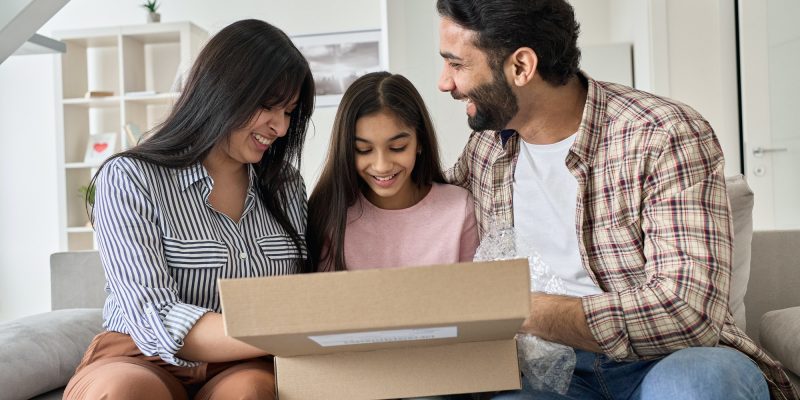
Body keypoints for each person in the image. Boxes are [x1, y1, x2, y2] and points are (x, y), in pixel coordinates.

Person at [435, 1, 798, 399]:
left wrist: (524, 311)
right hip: (550, 370)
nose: (444, 82)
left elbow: (688, 312)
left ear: (521, 67)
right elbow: (419, 206)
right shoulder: (486, 151)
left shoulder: (663, 134)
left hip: (666, 360)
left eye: (456, 64)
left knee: (700, 384)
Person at [64, 19, 315, 400]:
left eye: (289, 112)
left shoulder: (286, 186)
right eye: (268, 106)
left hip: (244, 364)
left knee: (250, 392)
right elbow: (154, 317)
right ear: (223, 91)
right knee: (124, 391)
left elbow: (305, 293)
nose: (280, 127)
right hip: (141, 356)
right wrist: (281, 326)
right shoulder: (130, 177)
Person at [308, 71, 478, 273]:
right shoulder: (331, 217)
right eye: (363, 150)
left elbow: (474, 298)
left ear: (420, 142)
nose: (382, 166)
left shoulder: (459, 209)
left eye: (397, 147)